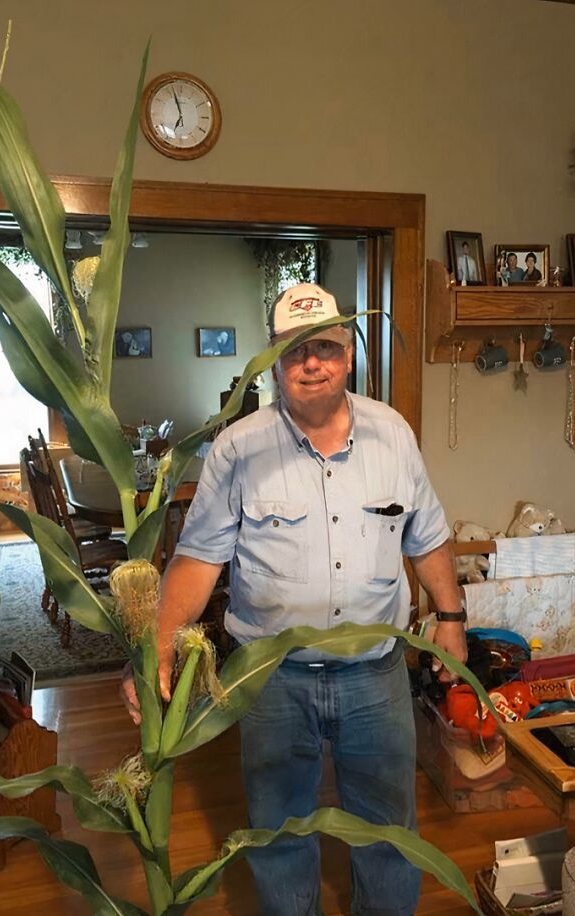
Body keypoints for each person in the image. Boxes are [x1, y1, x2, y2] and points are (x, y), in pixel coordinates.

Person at [121, 282, 467, 916]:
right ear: (272, 358)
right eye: (294, 350)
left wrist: (450, 619)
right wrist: (161, 643)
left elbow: (428, 539)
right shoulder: (238, 448)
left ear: (350, 354)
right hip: (269, 681)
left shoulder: (394, 435)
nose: (312, 363)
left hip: (377, 675)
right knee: (278, 835)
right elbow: (198, 559)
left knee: (389, 834)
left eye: (327, 348)